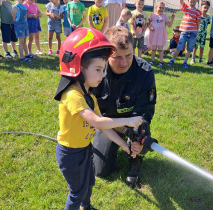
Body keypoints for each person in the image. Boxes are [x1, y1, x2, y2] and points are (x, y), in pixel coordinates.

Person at [54, 27, 143, 210]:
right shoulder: (72, 95)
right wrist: (127, 121)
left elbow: (104, 126)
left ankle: (85, 208)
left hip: (85, 149)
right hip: (70, 155)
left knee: (89, 184)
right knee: (77, 191)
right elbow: (96, 122)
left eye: (103, 69)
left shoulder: (89, 96)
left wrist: (125, 146)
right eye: (98, 69)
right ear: (78, 68)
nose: (103, 75)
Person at [91, 26, 157, 188]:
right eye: (117, 57)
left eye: (128, 55)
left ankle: (135, 159)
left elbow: (145, 110)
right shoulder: (95, 70)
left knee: (141, 130)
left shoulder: (144, 72)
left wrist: (137, 136)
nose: (124, 62)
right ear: (107, 55)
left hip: (132, 123)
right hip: (105, 123)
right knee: (100, 171)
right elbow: (88, 107)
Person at [167, 0, 201, 69]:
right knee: (179, 47)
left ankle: (185, 62)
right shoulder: (186, 8)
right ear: (188, 1)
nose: (192, 3)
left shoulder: (198, 12)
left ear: (197, 2)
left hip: (193, 33)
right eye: (191, 1)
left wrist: (196, 33)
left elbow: (197, 23)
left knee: (189, 49)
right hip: (184, 32)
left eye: (194, 1)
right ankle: (172, 60)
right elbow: (181, 2)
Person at [147, 1, 175, 68]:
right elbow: (147, 23)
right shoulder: (152, 15)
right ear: (156, 8)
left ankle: (160, 62)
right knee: (153, 48)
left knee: (160, 49)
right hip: (154, 34)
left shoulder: (164, 16)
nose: (161, 9)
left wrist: (172, 19)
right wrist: (150, 27)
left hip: (161, 35)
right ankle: (152, 60)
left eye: (163, 8)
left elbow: (169, 25)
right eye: (160, 7)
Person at [190, 0, 210, 65]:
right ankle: (193, 59)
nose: (206, 9)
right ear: (201, 7)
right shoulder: (198, 15)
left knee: (202, 48)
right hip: (197, 34)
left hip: (203, 35)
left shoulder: (208, 17)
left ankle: (200, 60)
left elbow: (206, 25)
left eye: (207, 8)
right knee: (195, 47)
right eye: (204, 7)